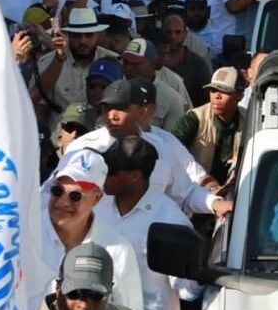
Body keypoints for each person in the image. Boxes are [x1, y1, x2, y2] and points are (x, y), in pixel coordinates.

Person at [67, 78, 232, 219]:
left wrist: (215, 203)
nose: (112, 115)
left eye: (121, 108)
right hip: (98, 245)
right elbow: (53, 195)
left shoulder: (161, 148)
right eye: (106, 109)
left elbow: (186, 193)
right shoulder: (82, 149)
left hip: (147, 246)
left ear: (141, 111)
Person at [25, 243, 234, 310]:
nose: (84, 303)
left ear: (109, 292)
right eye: (76, 293)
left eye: (95, 294)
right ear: (58, 289)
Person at [97, 136, 200, 310]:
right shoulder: (95, 207)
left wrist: (199, 272)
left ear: (134, 176)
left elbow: (186, 290)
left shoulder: (170, 220)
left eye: (110, 171)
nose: (103, 174)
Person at [33, 149, 144, 310]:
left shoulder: (118, 251)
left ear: (97, 198)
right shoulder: (22, 234)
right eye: (57, 191)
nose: (63, 201)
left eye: (75, 196)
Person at [33, 7, 117, 128]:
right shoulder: (47, 63)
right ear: (68, 35)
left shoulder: (114, 61)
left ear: (98, 35)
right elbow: (39, 109)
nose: (83, 41)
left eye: (88, 35)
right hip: (60, 138)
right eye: (77, 36)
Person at [171, 67, 246, 188]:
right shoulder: (194, 118)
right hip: (196, 190)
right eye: (213, 90)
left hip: (239, 189)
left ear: (240, 96)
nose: (217, 96)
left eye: (224, 91)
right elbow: (171, 149)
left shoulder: (249, 121)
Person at [120, 39, 187, 132]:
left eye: (135, 63)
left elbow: (172, 140)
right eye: (126, 62)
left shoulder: (172, 99)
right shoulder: (114, 92)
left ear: (152, 64)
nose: (129, 67)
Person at [159, 14, 213, 105]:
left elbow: (207, 98)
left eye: (178, 32)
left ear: (185, 34)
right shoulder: (155, 61)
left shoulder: (197, 63)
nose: (173, 36)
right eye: (169, 32)